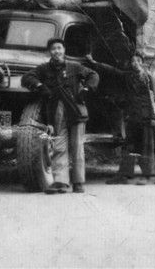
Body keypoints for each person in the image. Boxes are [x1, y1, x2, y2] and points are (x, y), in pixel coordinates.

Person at [22, 38, 99, 194]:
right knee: (59, 146)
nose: (56, 51)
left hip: (76, 110)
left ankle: (78, 182)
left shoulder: (75, 67)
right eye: (53, 49)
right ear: (50, 52)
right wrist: (40, 86)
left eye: (59, 48)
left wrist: (86, 89)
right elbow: (27, 78)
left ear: (64, 50)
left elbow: (93, 75)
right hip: (56, 111)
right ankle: (61, 182)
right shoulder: (44, 69)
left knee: (77, 146)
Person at [87, 51, 155, 184]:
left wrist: (154, 117)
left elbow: (154, 98)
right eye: (133, 61)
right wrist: (95, 63)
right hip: (132, 116)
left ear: (142, 63)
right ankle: (124, 175)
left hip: (146, 117)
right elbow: (113, 71)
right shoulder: (128, 76)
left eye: (138, 61)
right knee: (128, 146)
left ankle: (148, 176)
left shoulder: (148, 78)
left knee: (147, 146)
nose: (135, 63)